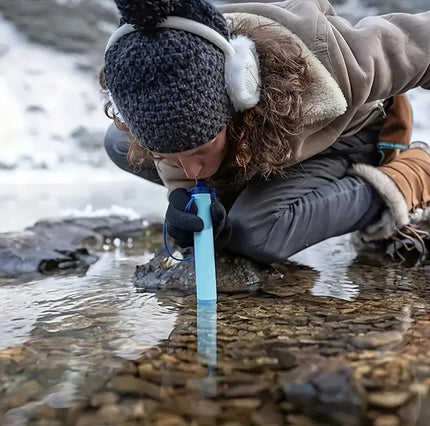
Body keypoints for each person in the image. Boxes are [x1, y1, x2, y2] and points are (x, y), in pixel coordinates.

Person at [100, 0, 430, 264]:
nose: (192, 169)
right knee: (118, 144)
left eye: (200, 150)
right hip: (252, 144)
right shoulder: (171, 73)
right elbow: (180, 146)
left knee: (254, 234)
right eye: (170, 157)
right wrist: (181, 194)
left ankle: (414, 174)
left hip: (343, 139)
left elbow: (422, 41)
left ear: (238, 91)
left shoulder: (329, 59)